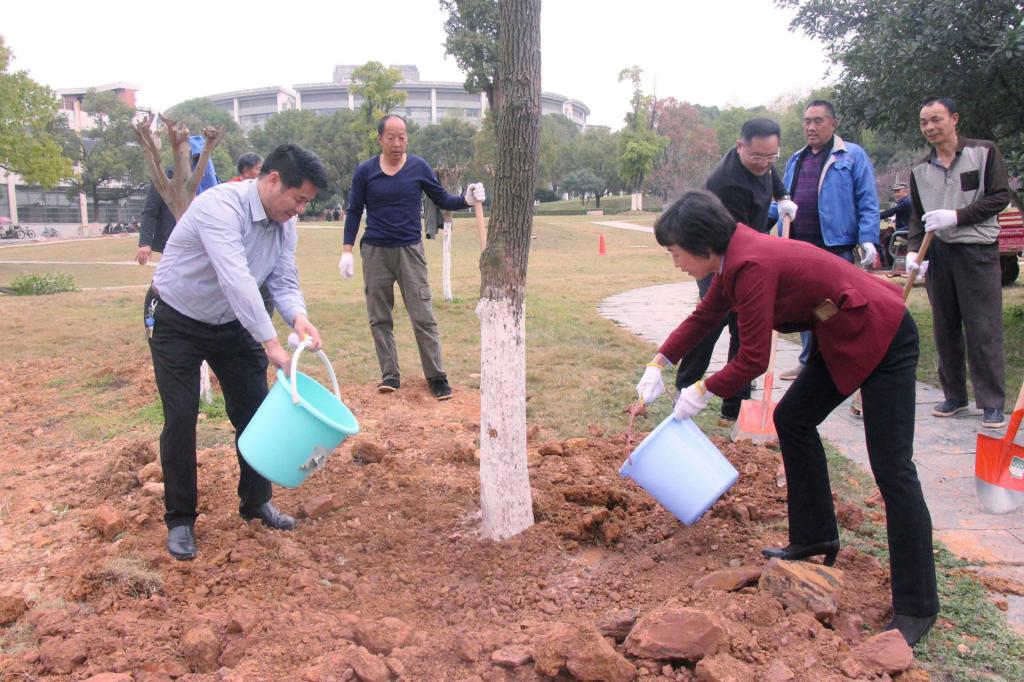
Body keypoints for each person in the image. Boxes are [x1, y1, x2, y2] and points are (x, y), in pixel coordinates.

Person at [637, 190, 939, 646]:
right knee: (794, 419)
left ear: (702, 245)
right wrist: (658, 362)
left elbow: (753, 358)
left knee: (893, 468)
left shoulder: (750, 264)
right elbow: (705, 317)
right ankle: (815, 536)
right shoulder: (732, 258)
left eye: (676, 253)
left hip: (882, 332)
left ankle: (918, 605)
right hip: (841, 331)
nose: (676, 263)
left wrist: (703, 390)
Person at [148, 144, 328, 561]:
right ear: (273, 180)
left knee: (254, 409)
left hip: (232, 324)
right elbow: (237, 279)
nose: (300, 210)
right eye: (298, 199)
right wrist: (271, 343)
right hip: (176, 319)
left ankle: (256, 502)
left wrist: (298, 317)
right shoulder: (220, 207)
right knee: (181, 416)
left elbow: (282, 279)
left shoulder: (285, 225)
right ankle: (180, 519)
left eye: (307, 203)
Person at [339, 113, 485, 400]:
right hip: (376, 252)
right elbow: (354, 211)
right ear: (380, 139)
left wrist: (466, 200)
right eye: (391, 137)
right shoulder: (365, 172)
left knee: (423, 316)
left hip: (410, 251)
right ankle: (390, 375)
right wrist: (347, 251)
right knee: (379, 317)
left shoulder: (419, 167)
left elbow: (441, 198)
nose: (397, 143)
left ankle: (437, 377)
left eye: (402, 137)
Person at [674, 118, 797, 420]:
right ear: (740, 146)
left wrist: (782, 196)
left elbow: (770, 172)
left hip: (750, 250)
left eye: (771, 156)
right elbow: (735, 237)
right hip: (716, 255)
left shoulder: (763, 161)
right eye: (757, 156)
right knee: (712, 319)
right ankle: (685, 386)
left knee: (745, 325)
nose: (764, 163)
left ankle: (736, 402)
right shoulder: (726, 182)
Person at [907, 95, 1010, 429]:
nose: (930, 127)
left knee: (983, 327)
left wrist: (957, 216)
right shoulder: (920, 169)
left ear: (954, 118)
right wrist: (913, 251)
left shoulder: (983, 152)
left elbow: (999, 196)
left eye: (936, 119)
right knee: (945, 327)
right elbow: (917, 216)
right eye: (924, 122)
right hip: (939, 253)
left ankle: (991, 402)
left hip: (977, 250)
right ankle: (954, 395)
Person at [773, 100, 880, 381]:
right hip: (801, 247)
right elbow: (782, 200)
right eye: (807, 121)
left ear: (833, 123)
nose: (811, 127)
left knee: (836, 309)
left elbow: (867, 200)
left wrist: (868, 238)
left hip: (836, 246)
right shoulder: (796, 159)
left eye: (818, 121)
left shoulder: (851, 156)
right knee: (807, 307)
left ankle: (842, 364)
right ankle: (809, 363)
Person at [136, 135, 219, 266]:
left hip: (203, 245)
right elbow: (150, 211)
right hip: (173, 243)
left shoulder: (209, 181)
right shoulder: (165, 178)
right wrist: (145, 243)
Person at [879, 183, 912, 269]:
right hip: (906, 229)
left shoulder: (905, 202)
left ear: (906, 191)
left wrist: (875, 216)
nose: (896, 194)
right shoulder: (907, 201)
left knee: (887, 238)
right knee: (885, 233)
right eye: (894, 192)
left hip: (907, 231)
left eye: (898, 191)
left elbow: (891, 212)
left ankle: (889, 265)